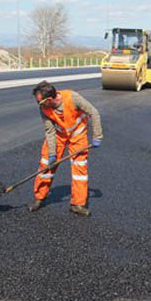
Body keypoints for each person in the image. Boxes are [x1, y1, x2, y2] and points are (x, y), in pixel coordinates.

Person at [30, 81, 103, 216]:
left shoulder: (72, 97)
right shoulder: (44, 108)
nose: (38, 105)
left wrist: (97, 135)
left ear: (49, 99)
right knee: (46, 165)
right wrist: (52, 154)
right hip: (59, 135)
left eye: (40, 102)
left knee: (79, 169)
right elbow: (50, 131)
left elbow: (93, 112)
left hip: (78, 135)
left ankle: (77, 204)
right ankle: (39, 198)